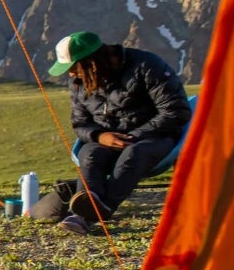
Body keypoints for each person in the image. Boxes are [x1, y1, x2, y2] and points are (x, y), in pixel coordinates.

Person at [33, 30, 192, 235]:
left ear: (93, 63)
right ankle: (90, 209)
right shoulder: (80, 83)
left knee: (133, 155)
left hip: (154, 137)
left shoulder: (147, 66)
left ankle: (89, 215)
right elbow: (80, 123)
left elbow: (175, 112)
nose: (71, 74)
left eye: (74, 68)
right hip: (106, 140)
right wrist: (100, 136)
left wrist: (134, 136)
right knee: (90, 154)